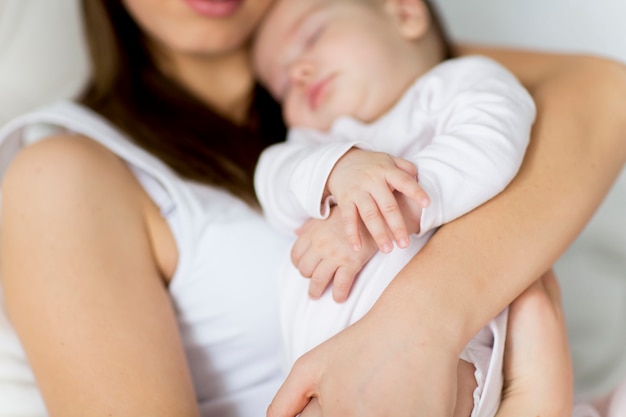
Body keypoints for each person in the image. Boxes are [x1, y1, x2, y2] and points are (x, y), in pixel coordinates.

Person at [0, 0, 624, 416]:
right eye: (285, 75)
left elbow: (600, 98)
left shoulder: (356, 52)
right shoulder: (63, 173)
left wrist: (418, 326)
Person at [252, 0, 534, 415]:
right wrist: (335, 168)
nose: (298, 73)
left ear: (404, 13)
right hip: (315, 374)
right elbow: (270, 175)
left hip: (448, 356)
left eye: (312, 37)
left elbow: (488, 148)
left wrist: (382, 212)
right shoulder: (312, 144)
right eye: (280, 86)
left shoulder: (460, 84)